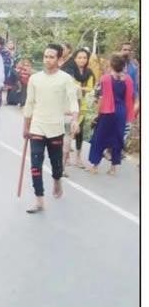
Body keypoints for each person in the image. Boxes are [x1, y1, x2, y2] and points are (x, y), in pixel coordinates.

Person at [23, 44, 80, 213]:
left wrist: (75, 119)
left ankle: (57, 179)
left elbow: (72, 100)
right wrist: (25, 126)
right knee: (35, 163)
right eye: (45, 56)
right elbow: (29, 103)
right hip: (37, 126)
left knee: (56, 165)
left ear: (59, 59)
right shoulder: (35, 78)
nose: (47, 60)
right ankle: (39, 199)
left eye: (51, 57)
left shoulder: (65, 79)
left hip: (56, 128)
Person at [87, 54, 135, 175]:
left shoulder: (106, 78)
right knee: (117, 138)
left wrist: (97, 115)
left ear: (111, 65)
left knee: (100, 137)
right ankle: (113, 168)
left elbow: (102, 99)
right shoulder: (128, 79)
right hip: (121, 111)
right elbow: (130, 98)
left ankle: (95, 166)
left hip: (108, 111)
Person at [61, 49, 95, 168]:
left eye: (84, 58)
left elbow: (90, 88)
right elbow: (67, 86)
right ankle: (65, 158)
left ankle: (78, 158)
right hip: (69, 105)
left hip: (82, 105)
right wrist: (81, 88)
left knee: (79, 132)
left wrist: (78, 87)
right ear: (74, 58)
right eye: (79, 57)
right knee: (67, 132)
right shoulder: (69, 70)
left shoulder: (89, 72)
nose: (82, 60)